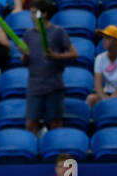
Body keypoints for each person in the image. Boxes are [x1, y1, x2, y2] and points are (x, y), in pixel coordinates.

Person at [22, 0, 77, 133]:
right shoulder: (28, 34)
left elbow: (74, 54)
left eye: (34, 13)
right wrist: (25, 57)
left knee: (55, 122)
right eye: (31, 13)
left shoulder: (58, 31)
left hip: (54, 85)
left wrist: (56, 56)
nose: (31, 16)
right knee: (30, 123)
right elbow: (24, 61)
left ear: (44, 14)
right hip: (34, 85)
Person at [89, 25, 117, 108]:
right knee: (91, 99)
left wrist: (114, 96)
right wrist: (104, 98)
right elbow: (97, 85)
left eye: (108, 38)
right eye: (103, 38)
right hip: (107, 92)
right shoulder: (99, 58)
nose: (103, 40)